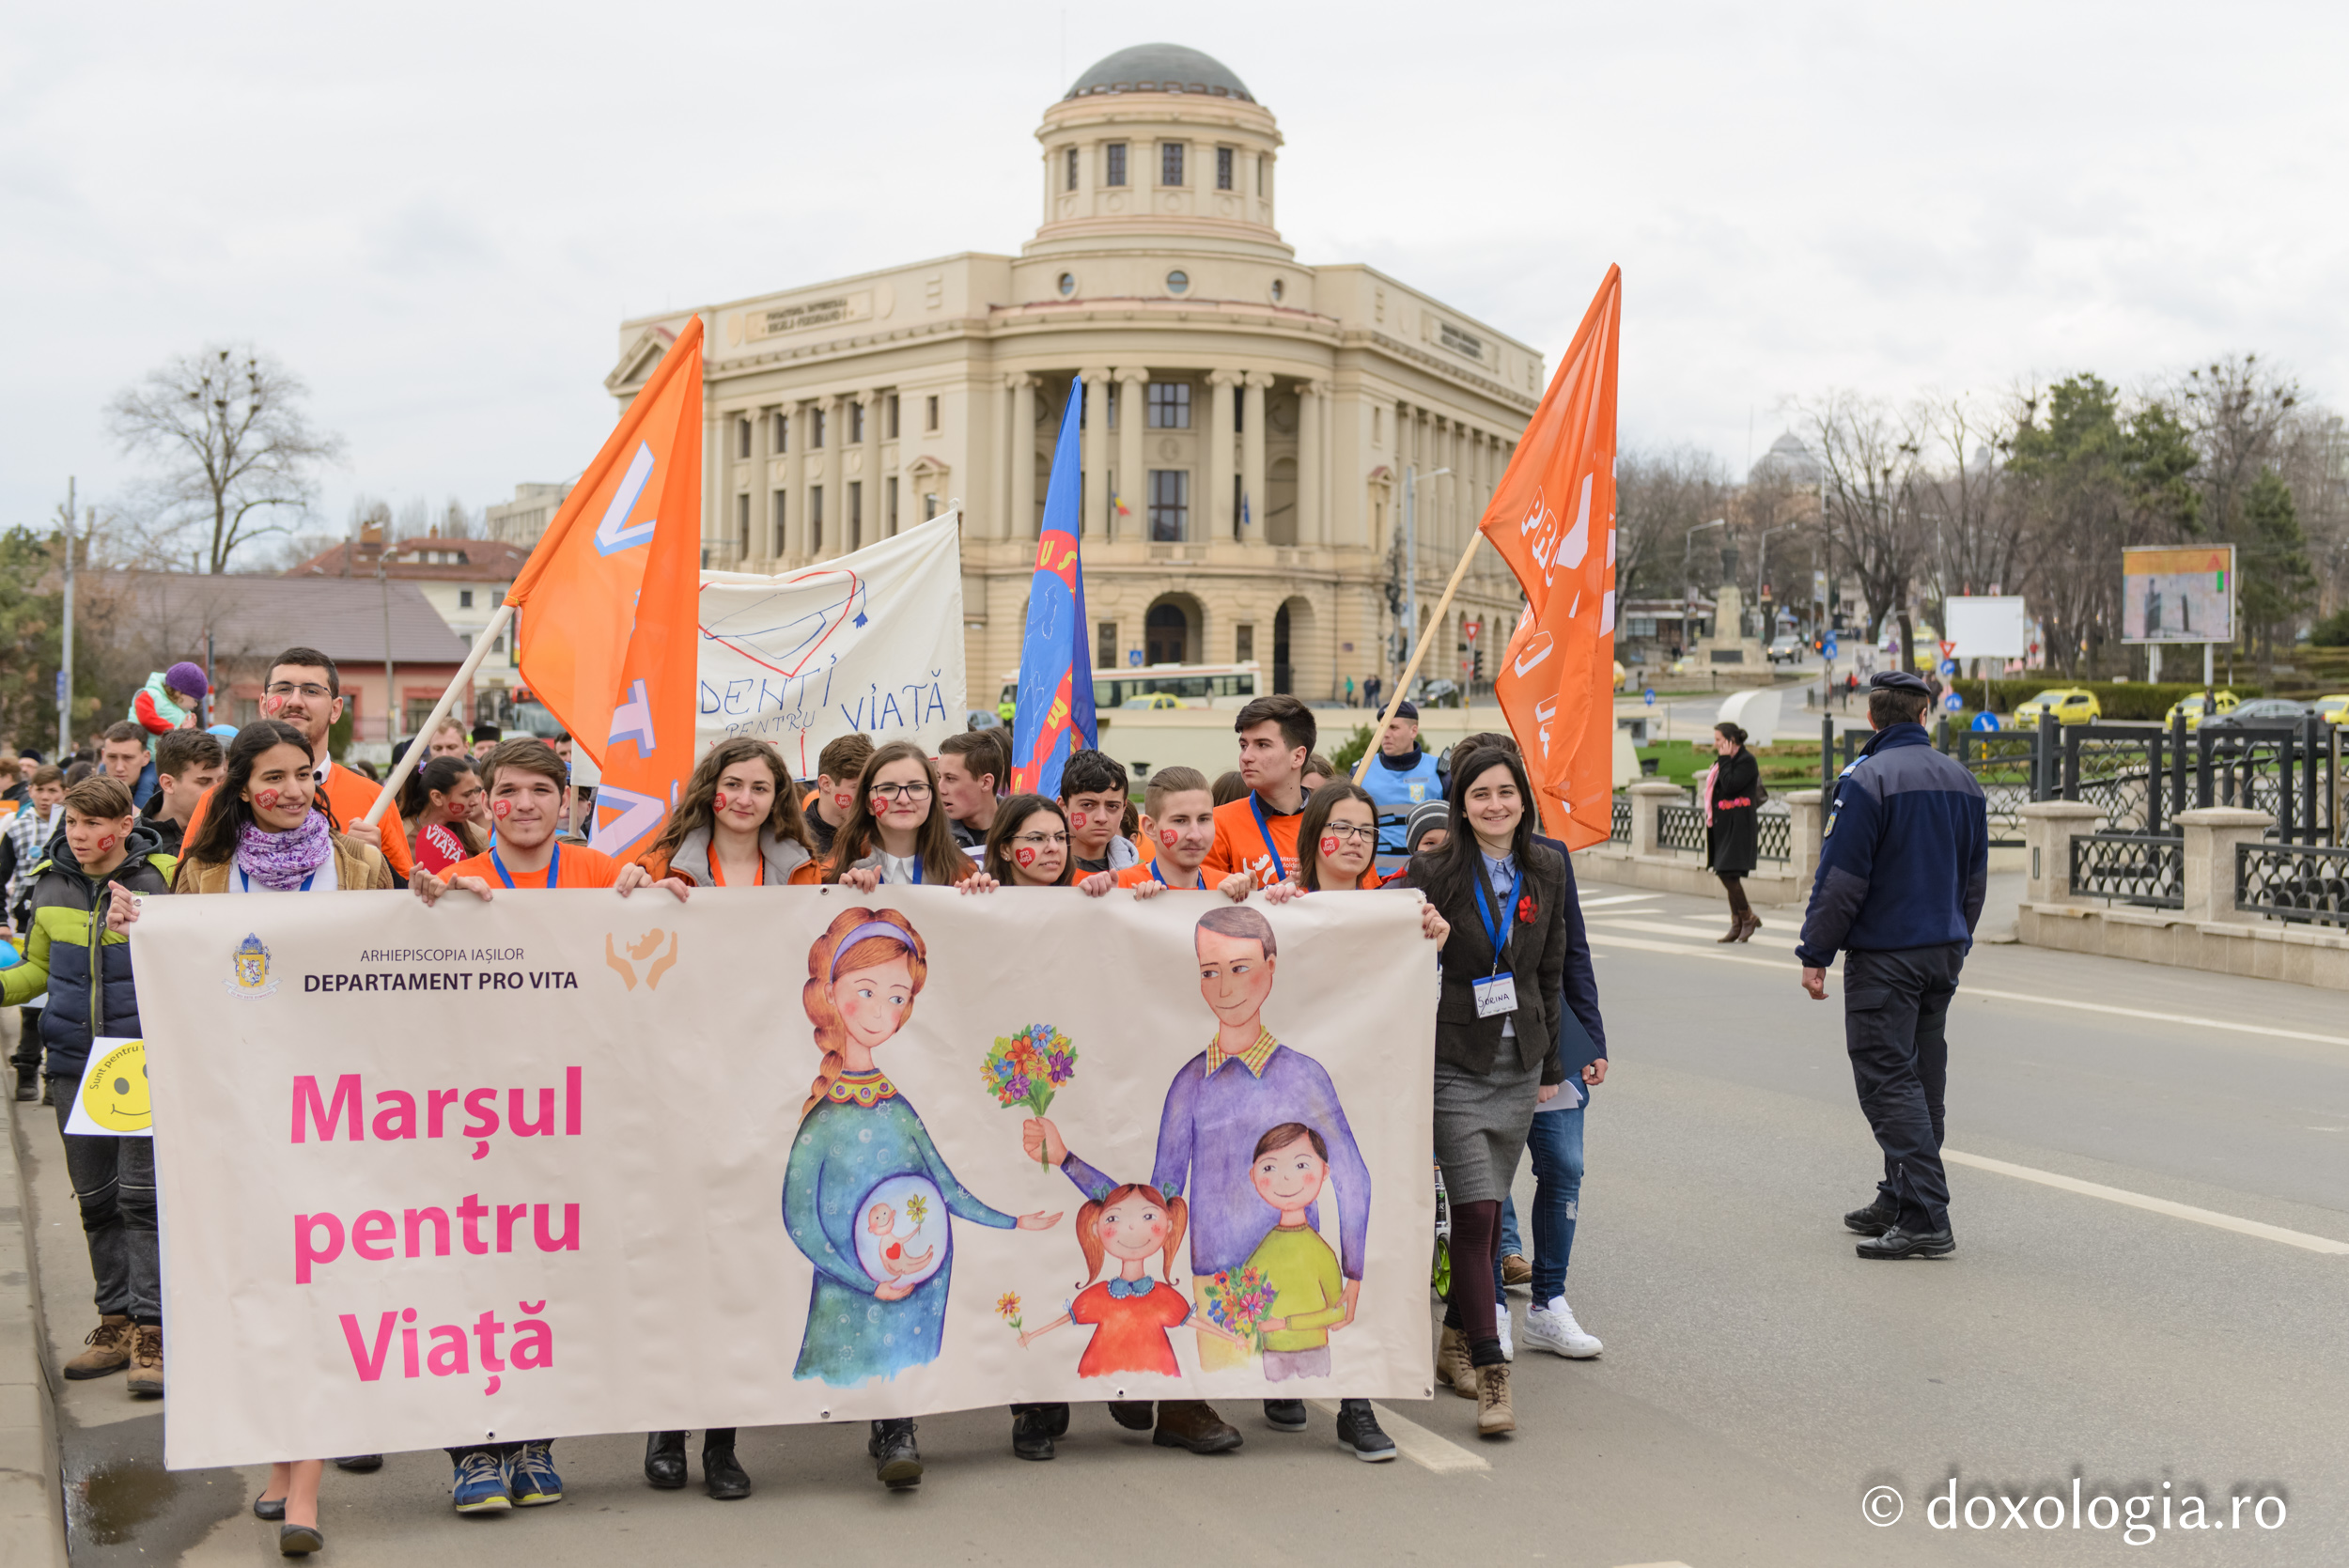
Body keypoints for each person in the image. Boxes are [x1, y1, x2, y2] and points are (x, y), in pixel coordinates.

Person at [1023, 904, 1383, 1460]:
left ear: (1270, 965)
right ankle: (1192, 1406)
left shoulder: (1304, 1074)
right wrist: (1067, 1158)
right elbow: (1157, 1199)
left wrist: (1353, 1271)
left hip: (1300, 1270)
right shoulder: (1190, 1082)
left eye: (1240, 967)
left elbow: (1352, 1176)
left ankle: (1354, 1407)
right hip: (1217, 1284)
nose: (1224, 986)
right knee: (1235, 1364)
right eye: (1209, 970)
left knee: (1322, 1354)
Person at [785, 908, 1061, 1490]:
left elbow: (947, 1187)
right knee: (847, 1365)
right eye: (866, 992)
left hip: (922, 1282)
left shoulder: (898, 1106)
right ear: (830, 995)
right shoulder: (823, 1119)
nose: (884, 1011)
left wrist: (1014, 1221)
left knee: (909, 1368)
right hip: (853, 1287)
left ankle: (898, 1428)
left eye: (898, 997)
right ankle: (887, 1426)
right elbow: (800, 1219)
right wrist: (864, 1280)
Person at [1396, 744, 1569, 1437]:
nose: (1495, 804)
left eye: (1506, 792)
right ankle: (1494, 1373)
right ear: (1462, 804)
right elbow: (1391, 946)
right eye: (1480, 795)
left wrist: (1551, 1064)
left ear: (1522, 798)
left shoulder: (1548, 865)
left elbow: (1550, 968)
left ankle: (1452, 1342)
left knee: (1492, 1213)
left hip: (1519, 1061)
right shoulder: (1433, 870)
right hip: (1454, 1060)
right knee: (1473, 1218)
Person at [1797, 670, 1988, 1262]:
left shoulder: (1867, 778)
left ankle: (1928, 1215)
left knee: (1886, 1080)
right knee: (1922, 1080)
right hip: (1942, 953)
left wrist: (1815, 952)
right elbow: (1975, 880)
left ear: (1874, 719)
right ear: (1925, 714)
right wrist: (1958, 938)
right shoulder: (1964, 780)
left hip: (1886, 958)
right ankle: (1898, 1197)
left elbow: (1842, 878)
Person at [6, 775, 177, 1404]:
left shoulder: (158, 882)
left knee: (142, 1198)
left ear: (124, 825)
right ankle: (115, 1322)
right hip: (73, 1066)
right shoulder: (49, 883)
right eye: (72, 823)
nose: (78, 835)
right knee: (97, 1198)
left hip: (140, 1064)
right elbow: (39, 971)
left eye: (91, 824)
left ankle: (154, 1330)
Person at [178, 648, 413, 880]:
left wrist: (378, 862)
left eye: (311, 691)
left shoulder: (374, 799)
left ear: (335, 709)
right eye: (283, 689)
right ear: (263, 704)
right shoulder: (218, 801)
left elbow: (407, 900)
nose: (295, 701)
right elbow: (188, 894)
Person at [412, 740, 675, 902]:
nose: (525, 804)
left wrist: (658, 904)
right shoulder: (455, 884)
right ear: (486, 804)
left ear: (563, 801)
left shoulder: (602, 873)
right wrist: (431, 907)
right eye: (508, 791)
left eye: (540, 790)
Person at [822, 741, 979, 888]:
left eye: (916, 787)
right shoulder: (832, 874)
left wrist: (983, 898)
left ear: (933, 797)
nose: (903, 799)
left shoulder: (964, 871)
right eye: (888, 788)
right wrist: (840, 897)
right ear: (868, 803)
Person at [1201, 695, 1316, 888]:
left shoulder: (1334, 823)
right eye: (1244, 745)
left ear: (1297, 756)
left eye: (1262, 745)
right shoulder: (1216, 824)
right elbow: (1200, 905)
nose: (1246, 757)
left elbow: (1365, 897)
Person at [1703, 722, 1763, 942]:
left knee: (1726, 871)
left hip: (1739, 826)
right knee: (1726, 872)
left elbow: (1729, 785)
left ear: (1731, 741)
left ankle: (1747, 918)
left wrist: (1725, 759)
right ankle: (1738, 923)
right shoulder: (1727, 760)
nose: (1715, 743)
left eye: (1718, 739)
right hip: (1724, 824)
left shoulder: (1747, 761)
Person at [1359, 701, 1442, 856]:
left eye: (1394, 727)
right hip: (1376, 877)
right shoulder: (1361, 771)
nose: (1385, 734)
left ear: (1413, 731)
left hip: (1428, 876)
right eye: (1382, 727)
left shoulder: (1441, 772)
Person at [1115, 767, 1216, 891]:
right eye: (1180, 821)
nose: (1195, 835)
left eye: (1203, 819)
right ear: (1150, 828)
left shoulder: (1229, 890)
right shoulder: (1119, 888)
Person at [394, 756, 486, 877]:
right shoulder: (399, 837)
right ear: (437, 797)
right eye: (466, 795)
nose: (475, 801)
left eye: (475, 791)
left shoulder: (478, 836)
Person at [140, 729, 224, 859]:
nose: (216, 791)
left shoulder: (236, 832)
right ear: (168, 784)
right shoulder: (131, 841)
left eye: (220, 781)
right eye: (204, 782)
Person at [1293, 783, 1383, 892]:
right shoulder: (1281, 903)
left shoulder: (1382, 907)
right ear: (1313, 833)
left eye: (1366, 831)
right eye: (1342, 828)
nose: (1357, 840)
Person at [1060, 750, 1139, 876]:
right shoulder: (1037, 873)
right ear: (1063, 806)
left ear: (1123, 808)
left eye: (1112, 806)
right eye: (1088, 805)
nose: (1101, 818)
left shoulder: (1141, 878)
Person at [804, 734, 876, 860]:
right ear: (826, 784)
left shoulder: (877, 833)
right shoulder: (794, 837)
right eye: (857, 788)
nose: (868, 797)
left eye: (870, 788)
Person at [983, 795, 1076, 888]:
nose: (1054, 847)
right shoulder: (980, 898)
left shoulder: (1082, 897)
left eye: (1060, 838)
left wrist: (1088, 897)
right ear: (1005, 850)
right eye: (1037, 838)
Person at [937, 729, 1006, 851]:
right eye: (939, 777)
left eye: (950, 779)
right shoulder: (933, 837)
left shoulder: (1025, 828)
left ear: (986, 783)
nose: (940, 788)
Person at [128, 662, 207, 751]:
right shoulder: (149, 695)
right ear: (179, 692)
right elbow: (147, 719)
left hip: (165, 758)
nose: (195, 705)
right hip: (142, 756)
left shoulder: (184, 713)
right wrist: (174, 730)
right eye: (195, 700)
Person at [99, 722, 157, 815]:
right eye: (112, 757)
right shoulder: (84, 796)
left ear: (146, 758)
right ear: (103, 756)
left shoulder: (164, 798)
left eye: (128, 758)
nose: (119, 768)